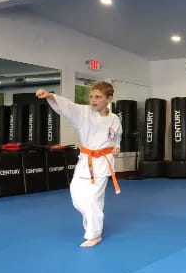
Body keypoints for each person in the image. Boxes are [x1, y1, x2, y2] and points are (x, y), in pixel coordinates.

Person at [36, 82, 122, 247]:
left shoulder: (114, 119)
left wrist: (117, 146)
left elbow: (117, 136)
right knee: (77, 196)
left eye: (98, 97)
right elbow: (68, 107)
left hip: (103, 164)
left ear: (109, 99)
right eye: (91, 96)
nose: (93, 100)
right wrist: (51, 96)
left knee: (92, 199)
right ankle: (94, 218)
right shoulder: (84, 113)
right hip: (85, 161)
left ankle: (94, 234)